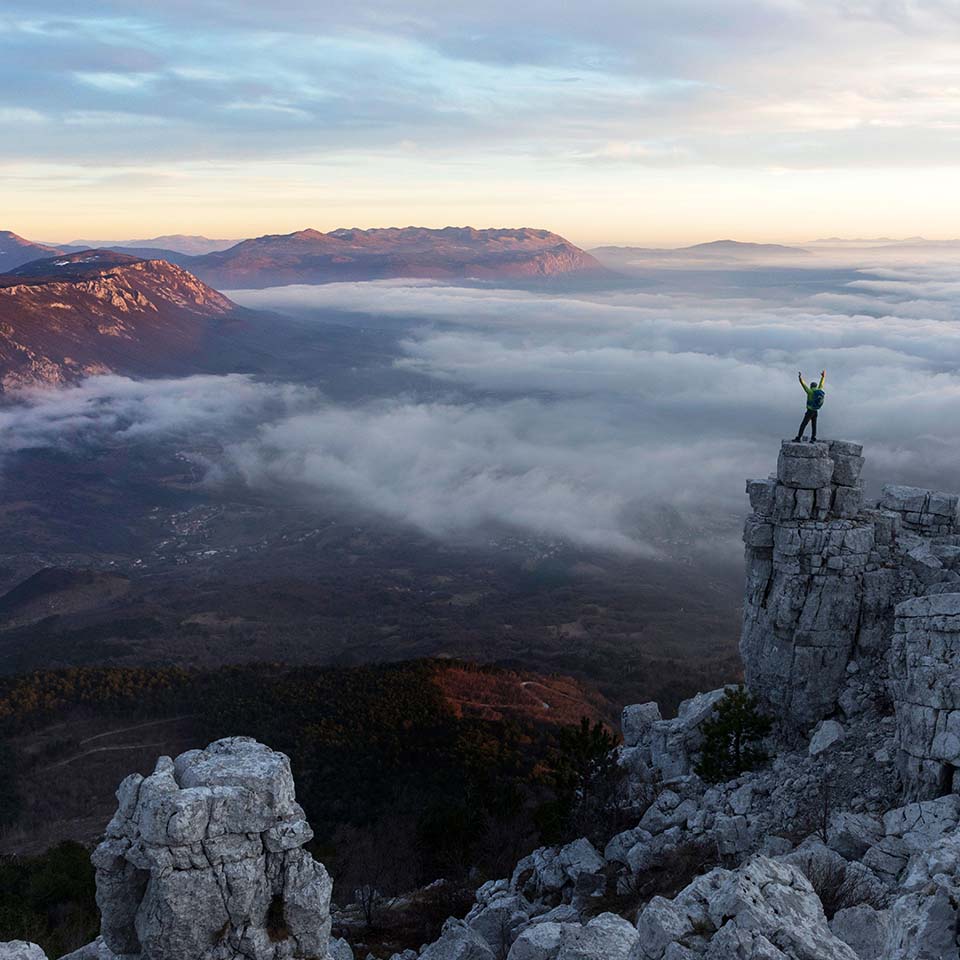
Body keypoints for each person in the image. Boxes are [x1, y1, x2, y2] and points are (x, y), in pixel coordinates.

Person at [794, 370, 826, 442]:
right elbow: (822, 384)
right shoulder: (819, 390)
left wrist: (800, 378)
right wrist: (823, 377)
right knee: (814, 425)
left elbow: (804, 385)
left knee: (803, 424)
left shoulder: (810, 391)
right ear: (816, 386)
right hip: (816, 411)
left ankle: (798, 438)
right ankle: (813, 438)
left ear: (811, 386)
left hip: (810, 411)